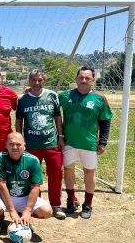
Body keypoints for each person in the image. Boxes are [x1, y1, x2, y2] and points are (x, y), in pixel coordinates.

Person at [58, 66, 112, 219]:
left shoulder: (100, 98)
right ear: (76, 79)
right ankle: (71, 200)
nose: (83, 80)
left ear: (92, 81)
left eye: (87, 78)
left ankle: (87, 204)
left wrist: (102, 142)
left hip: (89, 143)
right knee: (68, 170)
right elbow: (49, 101)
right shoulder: (65, 96)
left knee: (89, 172)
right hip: (69, 142)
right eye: (81, 77)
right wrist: (29, 90)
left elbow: (105, 121)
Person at [15, 69, 66, 220]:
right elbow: (19, 121)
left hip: (51, 143)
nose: (36, 83)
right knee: (31, 177)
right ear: (29, 81)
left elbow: (57, 117)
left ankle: (56, 205)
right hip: (31, 145)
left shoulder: (52, 95)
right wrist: (20, 140)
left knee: (56, 174)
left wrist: (61, 136)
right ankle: (36, 203)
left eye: (40, 80)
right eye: (33, 80)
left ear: (44, 81)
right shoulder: (23, 100)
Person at [0, 132, 52, 233]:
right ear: (6, 145)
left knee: (47, 212)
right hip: (2, 194)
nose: (15, 147)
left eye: (18, 144)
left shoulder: (33, 160)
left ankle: (23, 218)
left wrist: (27, 210)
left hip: (24, 196)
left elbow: (35, 188)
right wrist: (12, 211)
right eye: (11, 144)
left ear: (24, 146)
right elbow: (1, 185)